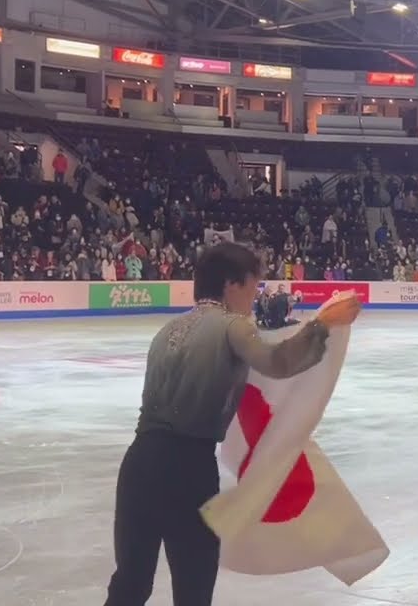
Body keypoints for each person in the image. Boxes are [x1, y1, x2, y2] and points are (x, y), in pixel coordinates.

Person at [104, 242, 362, 606]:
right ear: (231, 284)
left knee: (131, 584)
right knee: (193, 587)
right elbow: (277, 362)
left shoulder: (167, 331)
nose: (254, 300)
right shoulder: (233, 326)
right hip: (188, 469)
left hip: (139, 464)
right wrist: (321, 326)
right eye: (253, 288)